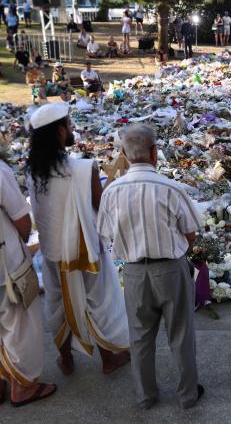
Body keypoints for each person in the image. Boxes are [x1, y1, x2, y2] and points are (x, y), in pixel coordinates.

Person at [97, 124, 204, 410]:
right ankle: (187, 395)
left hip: (133, 272)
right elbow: (191, 232)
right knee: (180, 333)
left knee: (140, 337)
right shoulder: (171, 188)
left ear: (124, 154)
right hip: (170, 269)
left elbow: (106, 234)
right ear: (154, 152)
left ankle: (145, 396)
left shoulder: (112, 192)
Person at [26, 103, 130, 378]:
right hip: (85, 251)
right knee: (98, 300)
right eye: (69, 125)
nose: (72, 129)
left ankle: (66, 360)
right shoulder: (85, 168)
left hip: (52, 253)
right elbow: (101, 206)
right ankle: (108, 359)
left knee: (57, 302)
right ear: (60, 131)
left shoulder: (33, 172)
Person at [0, 155, 58, 407]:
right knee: (21, 325)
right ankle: (23, 387)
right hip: (6, 265)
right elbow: (22, 220)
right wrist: (22, 241)